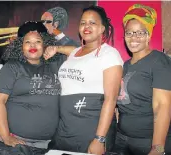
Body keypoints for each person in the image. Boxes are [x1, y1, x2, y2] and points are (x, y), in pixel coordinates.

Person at [44, 5, 123, 155]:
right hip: (65, 127)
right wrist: (56, 48)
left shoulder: (109, 54)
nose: (86, 26)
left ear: (102, 28)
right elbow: (74, 52)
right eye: (83, 22)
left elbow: (110, 100)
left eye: (92, 23)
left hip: (90, 127)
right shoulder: (74, 52)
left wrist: (99, 139)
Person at [0, 21, 64, 154]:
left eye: (37, 41)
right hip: (17, 140)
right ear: (20, 46)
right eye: (27, 42)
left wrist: (57, 49)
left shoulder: (54, 65)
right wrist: (6, 136)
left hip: (48, 142)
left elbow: (80, 52)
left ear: (45, 44)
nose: (32, 45)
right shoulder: (12, 67)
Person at [114, 4, 171, 155]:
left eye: (140, 32)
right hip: (121, 139)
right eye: (129, 33)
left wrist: (157, 148)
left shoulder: (159, 61)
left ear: (149, 35)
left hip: (148, 142)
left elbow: (162, 106)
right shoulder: (125, 65)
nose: (134, 37)